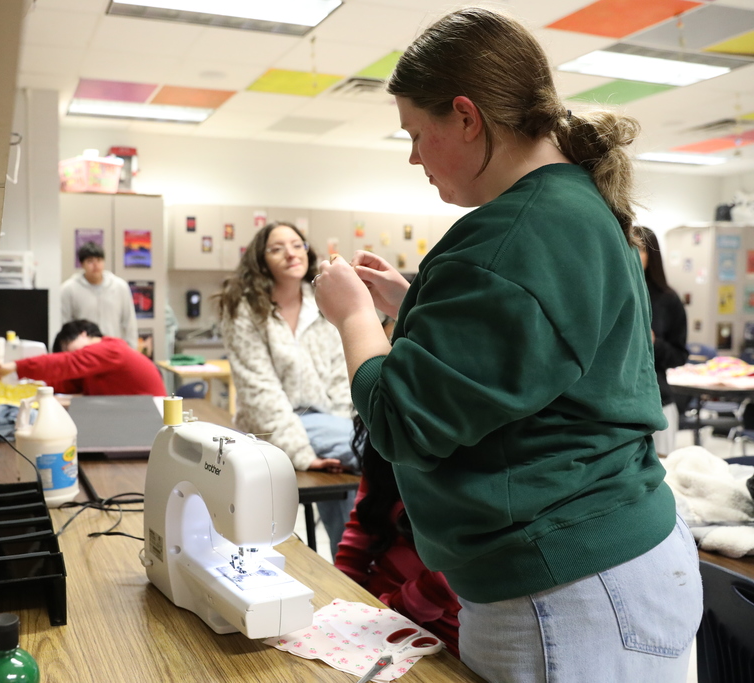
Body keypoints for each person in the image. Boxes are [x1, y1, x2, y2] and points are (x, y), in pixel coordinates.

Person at [312, 8, 702, 682]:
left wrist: (352, 317)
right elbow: (547, 354)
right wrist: (417, 307)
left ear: (466, 117)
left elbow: (401, 419)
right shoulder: (576, 206)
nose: (412, 156)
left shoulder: (506, 240)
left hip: (569, 583)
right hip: (620, 564)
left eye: (415, 133)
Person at [216, 221, 358, 558]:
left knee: (355, 460)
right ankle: (362, 569)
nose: (290, 253)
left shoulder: (323, 302)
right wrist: (303, 454)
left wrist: (345, 424)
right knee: (370, 451)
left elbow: (342, 372)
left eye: (296, 244)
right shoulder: (245, 309)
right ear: (261, 260)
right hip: (274, 426)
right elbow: (259, 390)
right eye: (277, 248)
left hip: (330, 421)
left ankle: (353, 567)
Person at [334, 417, 461, 657]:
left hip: (440, 632)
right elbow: (362, 528)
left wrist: (392, 610)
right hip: (381, 609)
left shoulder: (460, 453)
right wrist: (341, 593)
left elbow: (450, 576)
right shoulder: (384, 441)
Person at [0, 319, 165, 396]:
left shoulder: (110, 349)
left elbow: (67, 364)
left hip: (149, 416)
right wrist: (34, 383)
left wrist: (17, 366)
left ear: (83, 334)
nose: (69, 354)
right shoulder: (100, 360)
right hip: (138, 412)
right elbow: (69, 380)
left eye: (69, 348)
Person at [638, 227, 689, 456]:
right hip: (614, 404)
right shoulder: (609, 292)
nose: (631, 254)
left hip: (657, 400)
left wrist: (653, 342)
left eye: (639, 249)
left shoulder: (667, 299)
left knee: (660, 476)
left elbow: (679, 355)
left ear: (652, 254)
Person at [60, 241, 138, 347]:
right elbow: (64, 323)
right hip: (84, 350)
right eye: (90, 261)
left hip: (113, 348)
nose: (96, 265)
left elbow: (129, 321)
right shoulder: (69, 289)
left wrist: (132, 349)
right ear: (82, 264)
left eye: (99, 260)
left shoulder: (120, 287)